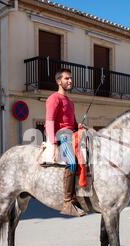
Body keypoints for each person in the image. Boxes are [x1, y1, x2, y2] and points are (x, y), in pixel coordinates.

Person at [45, 69, 86, 217]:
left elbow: (73, 123)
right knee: (72, 162)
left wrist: (78, 126)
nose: (70, 81)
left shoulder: (70, 101)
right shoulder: (54, 98)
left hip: (71, 133)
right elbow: (49, 122)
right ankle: (68, 202)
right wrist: (54, 144)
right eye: (66, 78)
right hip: (61, 135)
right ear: (59, 81)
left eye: (70, 78)